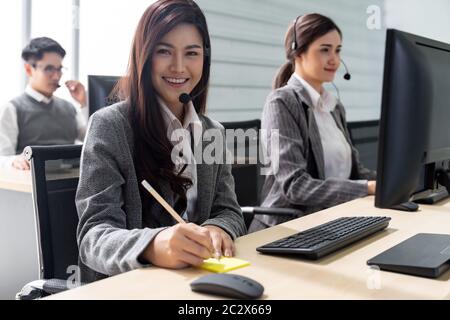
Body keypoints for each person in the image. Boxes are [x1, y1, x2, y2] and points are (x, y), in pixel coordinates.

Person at [76, 0, 246, 283]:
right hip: (136, 286)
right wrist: (154, 245)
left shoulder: (211, 131)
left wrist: (219, 229)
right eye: (164, 51)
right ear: (144, 55)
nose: (179, 67)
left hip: (200, 279)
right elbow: (93, 236)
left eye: (191, 53)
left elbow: (228, 210)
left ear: (204, 58)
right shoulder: (110, 126)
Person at [249, 14, 376, 232]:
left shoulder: (334, 107)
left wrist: (390, 184)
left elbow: (357, 173)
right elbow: (295, 186)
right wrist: (366, 188)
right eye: (325, 49)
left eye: (337, 50)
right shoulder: (282, 102)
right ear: (297, 52)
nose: (334, 60)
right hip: (287, 230)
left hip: (333, 222)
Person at [0, 37, 87, 170]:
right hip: (31, 185)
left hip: (71, 182)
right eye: (49, 69)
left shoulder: (70, 108)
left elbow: (94, 140)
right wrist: (13, 161)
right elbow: (2, 157)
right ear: (29, 69)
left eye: (59, 69)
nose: (56, 76)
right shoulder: (12, 108)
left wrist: (83, 104)